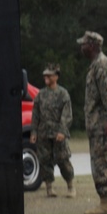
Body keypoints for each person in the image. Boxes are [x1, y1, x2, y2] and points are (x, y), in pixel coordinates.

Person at [78, 30, 107, 214]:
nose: (81, 47)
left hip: (102, 125)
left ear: (93, 46)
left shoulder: (102, 65)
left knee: (100, 161)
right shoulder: (96, 65)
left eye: (84, 44)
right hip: (101, 124)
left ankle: (105, 203)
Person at [30, 64, 76, 198]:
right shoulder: (41, 94)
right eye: (45, 75)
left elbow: (67, 115)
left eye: (49, 75)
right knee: (45, 160)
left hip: (58, 134)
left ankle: (71, 187)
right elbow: (35, 114)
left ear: (56, 77)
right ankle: (49, 188)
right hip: (44, 133)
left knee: (63, 159)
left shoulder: (63, 94)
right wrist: (34, 132)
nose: (46, 77)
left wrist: (62, 131)